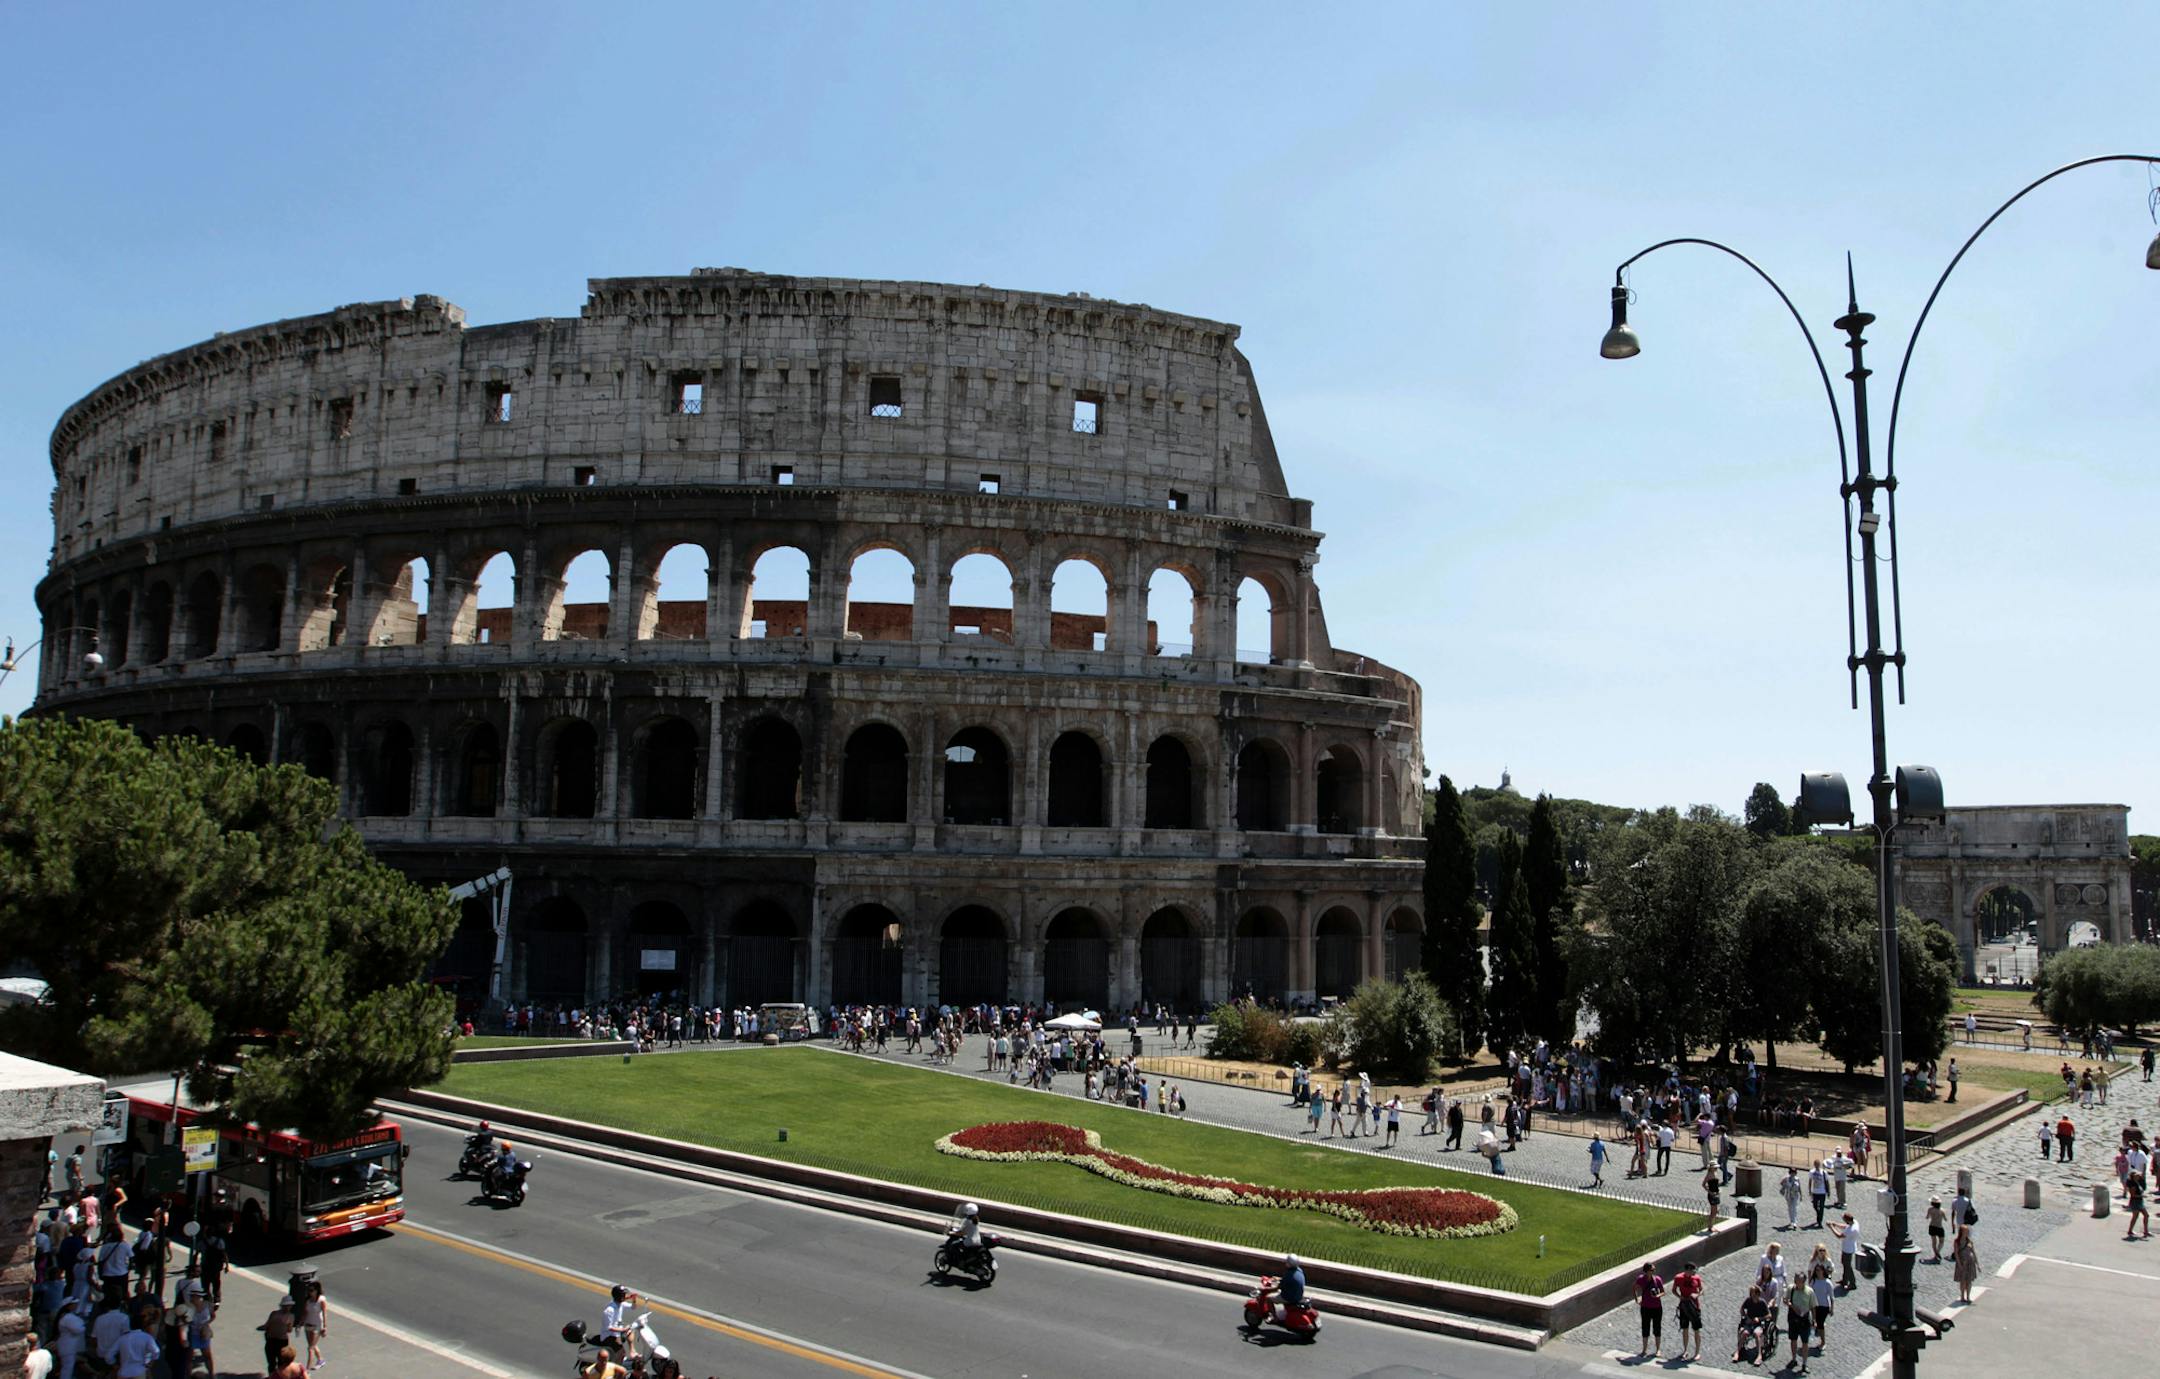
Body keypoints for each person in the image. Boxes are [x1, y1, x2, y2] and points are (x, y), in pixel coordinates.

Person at [1671, 1261, 1704, 1362]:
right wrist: (1679, 1297)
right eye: (1692, 1270)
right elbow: (1673, 1290)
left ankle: (1697, 1352)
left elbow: (1702, 1289)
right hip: (1684, 1306)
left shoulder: (1697, 1278)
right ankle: (1685, 1350)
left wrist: (1697, 1295)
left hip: (1694, 1306)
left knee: (1696, 1329)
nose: (1694, 1272)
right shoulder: (1678, 1278)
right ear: (1687, 1270)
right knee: (1684, 1328)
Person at [1632, 1262, 1665, 1358]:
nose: (1653, 1271)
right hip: (1645, 1307)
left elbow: (1663, 1292)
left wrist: (1657, 1296)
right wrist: (1637, 1299)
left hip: (1657, 1307)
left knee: (1657, 1328)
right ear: (1646, 1271)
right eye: (1652, 1270)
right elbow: (1634, 1287)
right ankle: (1644, 1350)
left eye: (1654, 1270)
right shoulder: (1641, 1279)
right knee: (1645, 1328)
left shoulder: (1657, 1279)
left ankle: (1658, 1349)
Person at [1732, 1282, 1769, 1364]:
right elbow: (1742, 1308)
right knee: (1744, 1333)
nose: (1752, 1295)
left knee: (1757, 1333)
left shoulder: (1762, 1302)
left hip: (1758, 1324)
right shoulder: (1748, 1300)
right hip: (1749, 1323)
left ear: (1757, 1294)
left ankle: (1759, 1355)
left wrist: (1759, 1319)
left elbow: (1769, 1315)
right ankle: (1737, 1351)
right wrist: (1745, 1316)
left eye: (1753, 1293)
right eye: (1751, 1293)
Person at [299, 1275, 330, 1371]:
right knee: (312, 1345)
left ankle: (306, 1370)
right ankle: (320, 1360)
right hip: (308, 1325)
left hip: (317, 1326)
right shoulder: (307, 1301)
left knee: (310, 1348)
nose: (310, 1292)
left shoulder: (321, 1300)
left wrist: (325, 1327)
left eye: (312, 1290)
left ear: (317, 1290)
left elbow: (325, 1313)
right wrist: (300, 1323)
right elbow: (305, 1313)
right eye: (309, 1290)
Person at [1784, 1275, 1814, 1370]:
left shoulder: (1809, 1291)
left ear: (1804, 1281)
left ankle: (1804, 1364)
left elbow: (1813, 1306)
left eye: (1799, 1281)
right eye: (1795, 1280)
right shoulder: (1791, 1288)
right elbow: (1785, 1300)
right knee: (1793, 1340)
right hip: (1793, 1318)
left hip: (1804, 1320)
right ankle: (1794, 1360)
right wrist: (1792, 1306)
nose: (1797, 1283)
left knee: (1805, 1342)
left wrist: (1814, 1320)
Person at [261, 1296, 295, 1376]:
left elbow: (267, 1326)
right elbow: (289, 1330)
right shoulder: (290, 1316)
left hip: (275, 1340)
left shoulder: (275, 1314)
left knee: (273, 1363)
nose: (288, 1307)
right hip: (279, 1340)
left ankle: (274, 1376)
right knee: (278, 1363)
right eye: (287, 1305)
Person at [1808, 1255, 1834, 1350]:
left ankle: (1823, 1342)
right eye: (1817, 1270)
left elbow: (1831, 1297)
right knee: (1816, 1322)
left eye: (1820, 1270)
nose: (1818, 1272)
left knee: (1820, 1323)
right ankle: (1818, 1335)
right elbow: (1810, 1292)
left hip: (1824, 1306)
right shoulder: (1813, 1281)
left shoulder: (1827, 1283)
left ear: (1823, 1271)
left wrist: (1832, 1308)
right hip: (1815, 1305)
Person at [1832, 1213, 1861, 1290]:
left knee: (1847, 1266)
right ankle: (1845, 1280)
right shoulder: (1854, 1223)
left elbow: (1839, 1235)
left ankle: (1852, 1283)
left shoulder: (1850, 1230)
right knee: (1845, 1264)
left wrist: (1831, 1227)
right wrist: (1836, 1224)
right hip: (1849, 1247)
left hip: (1847, 1249)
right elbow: (1845, 1226)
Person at [1951, 1223, 1979, 1304]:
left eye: (1967, 1231)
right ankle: (1962, 1296)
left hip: (1970, 1264)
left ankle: (1968, 1297)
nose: (1967, 1233)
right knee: (1963, 1281)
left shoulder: (1970, 1241)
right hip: (1962, 1263)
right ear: (1961, 1232)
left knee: (1969, 1281)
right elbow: (1956, 1253)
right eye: (1966, 1231)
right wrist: (1959, 1264)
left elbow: (1973, 1252)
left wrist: (1977, 1264)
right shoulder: (1957, 1242)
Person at [1778, 1166, 1803, 1230]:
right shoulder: (1786, 1178)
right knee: (1790, 1208)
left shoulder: (1797, 1179)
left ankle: (1794, 1222)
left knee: (1794, 1208)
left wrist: (1801, 1195)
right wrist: (1785, 1186)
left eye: (1794, 1172)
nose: (1793, 1174)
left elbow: (1799, 1187)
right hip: (1788, 1195)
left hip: (1795, 1195)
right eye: (1792, 1172)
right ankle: (1791, 1220)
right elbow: (1781, 1183)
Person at [2126, 1172, 2150, 1240]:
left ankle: (2146, 1231)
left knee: (2146, 1215)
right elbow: (2133, 1195)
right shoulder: (2133, 1185)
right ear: (2133, 1177)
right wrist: (2142, 1195)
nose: (2139, 1176)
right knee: (2135, 1217)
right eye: (2137, 1175)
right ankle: (2130, 1230)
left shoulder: (2138, 1182)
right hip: (2135, 1202)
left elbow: (2144, 1188)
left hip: (2140, 1201)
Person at [1807, 1160, 1829, 1229]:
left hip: (1822, 1192)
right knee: (1815, 1205)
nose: (1816, 1166)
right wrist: (1810, 1190)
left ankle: (1820, 1221)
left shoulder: (1824, 1172)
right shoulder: (1812, 1172)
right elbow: (1810, 1181)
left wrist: (1828, 1191)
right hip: (1815, 1192)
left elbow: (1827, 1182)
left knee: (1821, 1207)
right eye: (1815, 1164)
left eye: (1818, 1164)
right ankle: (1818, 1214)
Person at [1925, 1196, 1948, 1262]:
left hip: (1932, 1226)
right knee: (1941, 1241)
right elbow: (1945, 1219)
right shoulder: (1942, 1210)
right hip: (1939, 1227)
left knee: (1934, 1242)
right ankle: (1938, 1252)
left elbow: (1927, 1217)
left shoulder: (1930, 1209)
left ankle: (1936, 1254)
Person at [1703, 1167, 1722, 1233]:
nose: (1716, 1168)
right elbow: (1703, 1184)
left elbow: (1716, 1184)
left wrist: (1719, 1190)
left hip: (1716, 1194)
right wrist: (1710, 1192)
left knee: (1715, 1211)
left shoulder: (1715, 1173)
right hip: (1712, 1195)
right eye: (1715, 1167)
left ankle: (1711, 1225)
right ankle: (1710, 1226)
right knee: (1713, 1211)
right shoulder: (1709, 1175)